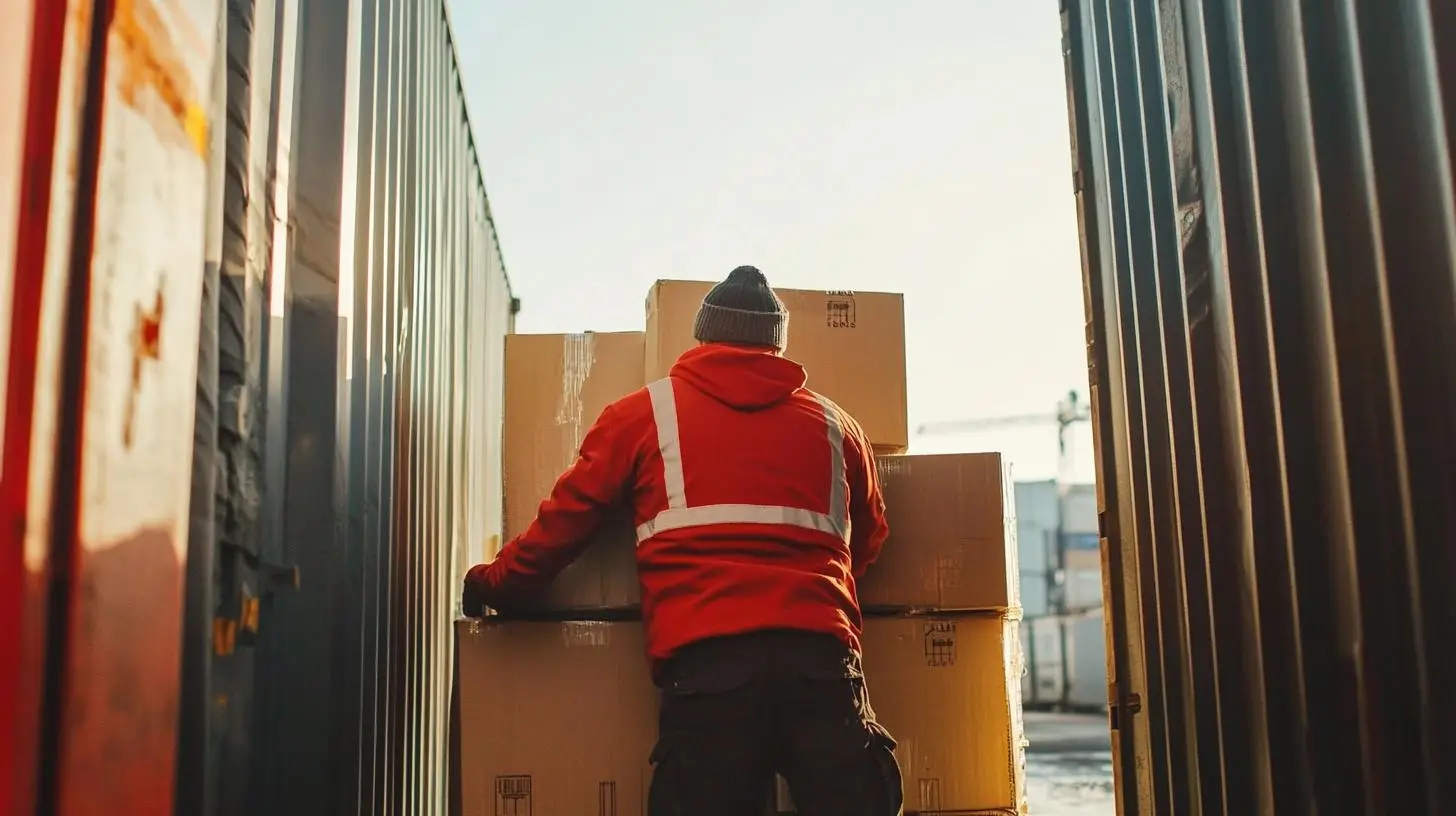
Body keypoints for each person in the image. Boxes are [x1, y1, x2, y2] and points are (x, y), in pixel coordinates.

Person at [462, 265, 903, 815]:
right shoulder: (837, 425)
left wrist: (498, 583)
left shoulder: (642, 415)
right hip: (820, 669)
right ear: (775, 344)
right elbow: (871, 536)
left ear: (703, 334)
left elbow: (564, 523)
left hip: (709, 676)